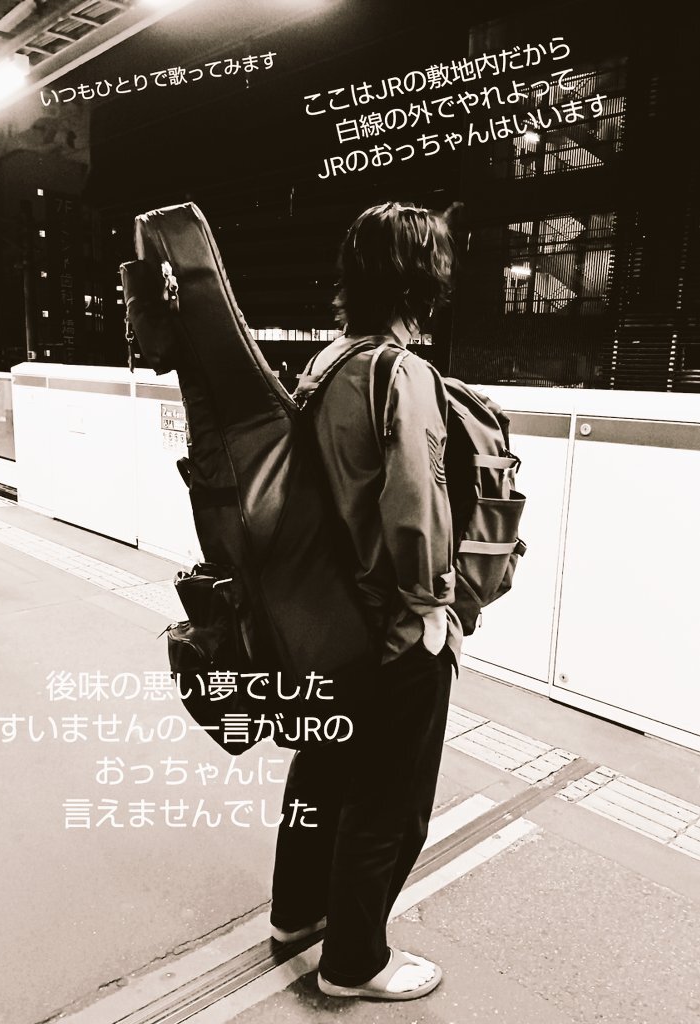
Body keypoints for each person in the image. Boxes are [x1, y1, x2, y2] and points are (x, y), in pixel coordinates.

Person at [269, 201, 463, 1001]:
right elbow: (415, 501)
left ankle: (296, 916)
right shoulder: (402, 373)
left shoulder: (326, 363)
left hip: (324, 617)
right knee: (389, 797)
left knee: (321, 768)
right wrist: (429, 608)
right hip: (390, 622)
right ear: (423, 279)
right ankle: (354, 962)